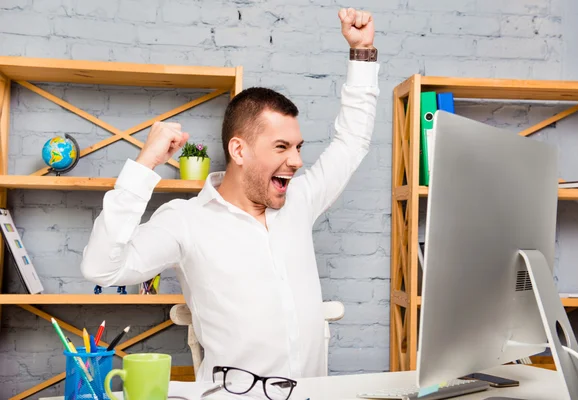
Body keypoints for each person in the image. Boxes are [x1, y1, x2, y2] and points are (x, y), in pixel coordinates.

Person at [81, 7, 380, 385]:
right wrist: (145, 165)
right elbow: (101, 269)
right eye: (282, 147)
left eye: (299, 147)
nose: (298, 161)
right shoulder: (185, 221)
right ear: (239, 151)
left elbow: (352, 143)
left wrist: (363, 53)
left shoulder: (300, 200)